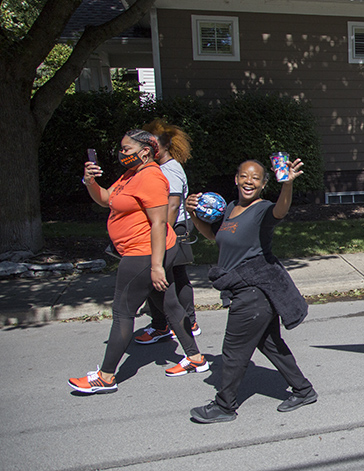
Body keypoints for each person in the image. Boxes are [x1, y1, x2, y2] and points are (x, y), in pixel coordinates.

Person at [69, 130, 208, 394]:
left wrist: (156, 267)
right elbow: (107, 199)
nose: (121, 153)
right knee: (168, 304)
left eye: (126, 149)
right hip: (144, 252)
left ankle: (106, 377)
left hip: (144, 253)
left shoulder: (152, 177)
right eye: (120, 149)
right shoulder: (131, 175)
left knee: (123, 312)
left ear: (145, 151)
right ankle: (195, 358)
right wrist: (89, 181)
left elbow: (158, 223)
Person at [187, 158, 315, 423]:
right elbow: (214, 236)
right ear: (236, 179)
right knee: (270, 344)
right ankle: (303, 390)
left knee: (233, 350)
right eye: (244, 176)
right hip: (244, 288)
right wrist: (193, 214)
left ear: (263, 184)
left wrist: (288, 185)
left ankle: (224, 406)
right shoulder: (231, 208)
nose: (249, 181)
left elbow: (281, 211)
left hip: (254, 289)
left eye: (256, 178)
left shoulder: (263, 210)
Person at [134, 119, 201, 344]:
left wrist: (163, 234)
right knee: (169, 278)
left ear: (163, 146)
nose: (148, 149)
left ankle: (185, 322)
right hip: (168, 227)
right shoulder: (159, 168)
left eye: (152, 144)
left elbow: (172, 205)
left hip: (174, 227)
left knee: (173, 278)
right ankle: (164, 324)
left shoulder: (170, 170)